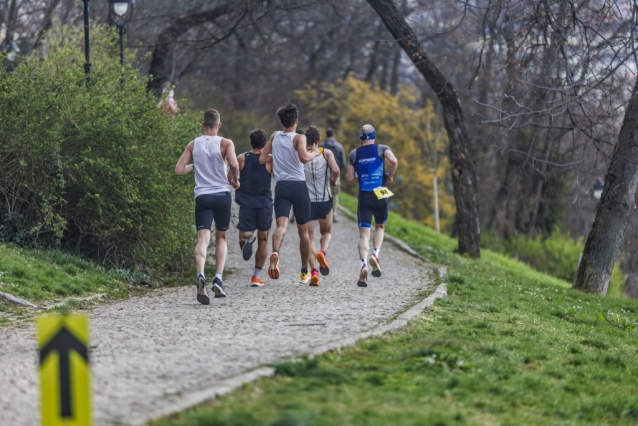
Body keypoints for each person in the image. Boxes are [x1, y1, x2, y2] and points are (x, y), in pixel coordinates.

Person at [175, 109, 240, 304]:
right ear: (219, 125)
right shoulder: (225, 143)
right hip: (221, 195)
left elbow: (178, 170)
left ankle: (201, 274)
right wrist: (235, 179)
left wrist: (195, 166)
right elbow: (234, 164)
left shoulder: (193, 144)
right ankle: (218, 278)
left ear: (203, 125)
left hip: (202, 197)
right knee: (222, 237)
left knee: (202, 238)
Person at [259, 103, 321, 283]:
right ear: (296, 121)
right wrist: (315, 153)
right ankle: (304, 271)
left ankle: (276, 253)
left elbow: (263, 158)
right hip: (299, 187)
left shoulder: (275, 136)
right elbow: (303, 158)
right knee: (304, 232)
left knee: (281, 226)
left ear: (281, 121)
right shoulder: (299, 137)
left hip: (282, 187)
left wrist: (278, 157)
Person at [346, 124, 398, 287]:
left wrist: (358, 172)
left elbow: (349, 178)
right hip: (380, 193)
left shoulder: (354, 154)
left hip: (364, 196)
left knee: (364, 235)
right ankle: (375, 255)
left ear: (361, 137)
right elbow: (393, 160)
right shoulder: (382, 149)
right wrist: (390, 174)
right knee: (380, 226)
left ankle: (363, 265)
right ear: (374, 136)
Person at [231, 129, 273, 287]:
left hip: (246, 204)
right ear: (265, 143)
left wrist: (235, 181)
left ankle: (247, 241)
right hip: (264, 204)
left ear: (251, 142)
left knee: (243, 237)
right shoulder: (269, 160)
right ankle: (256, 276)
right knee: (263, 239)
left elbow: (230, 177)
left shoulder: (241, 158)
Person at [303, 126, 340, 286]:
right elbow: (336, 170)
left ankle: (314, 272)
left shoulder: (302, 155)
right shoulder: (326, 153)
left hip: (308, 202)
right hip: (325, 200)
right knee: (326, 232)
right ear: (319, 140)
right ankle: (322, 252)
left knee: (310, 237)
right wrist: (333, 179)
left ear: (306, 141)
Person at [320, 128, 346, 222]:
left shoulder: (322, 145)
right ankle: (334, 215)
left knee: (323, 194)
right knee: (335, 195)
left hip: (323, 172)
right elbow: (343, 162)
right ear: (334, 135)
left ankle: (323, 213)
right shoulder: (339, 147)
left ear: (326, 135)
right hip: (335, 172)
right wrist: (339, 172)